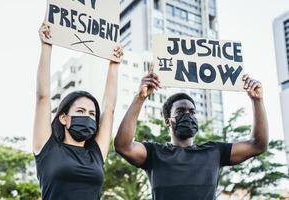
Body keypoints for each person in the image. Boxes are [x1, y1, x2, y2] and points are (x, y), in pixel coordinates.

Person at [114, 66, 268, 200]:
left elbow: (257, 145)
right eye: (181, 111)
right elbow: (123, 146)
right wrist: (140, 97)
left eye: (192, 112)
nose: (188, 115)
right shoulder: (154, 153)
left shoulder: (214, 151)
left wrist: (257, 100)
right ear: (168, 120)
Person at [32, 22, 123, 200]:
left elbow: (109, 109)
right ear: (64, 118)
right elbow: (42, 97)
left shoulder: (96, 153)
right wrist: (46, 45)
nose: (87, 116)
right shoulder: (47, 148)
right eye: (80, 111)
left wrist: (114, 64)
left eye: (91, 114)